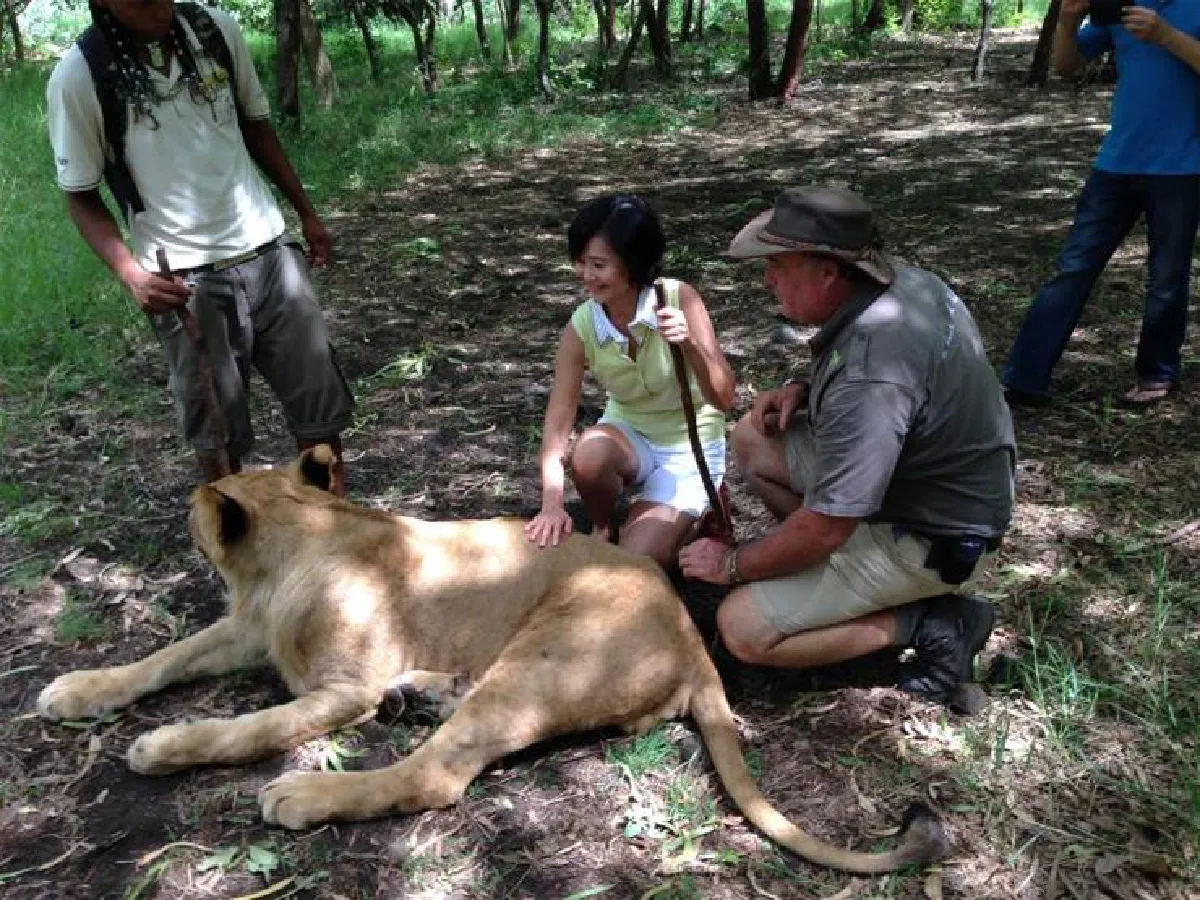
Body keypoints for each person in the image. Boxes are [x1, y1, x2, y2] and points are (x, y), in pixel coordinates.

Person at [678, 186, 1016, 705]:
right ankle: (825, 576)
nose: (768, 280)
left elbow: (827, 525)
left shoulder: (871, 374)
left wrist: (733, 564)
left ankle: (929, 621)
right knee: (754, 437)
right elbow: (909, 387)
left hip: (933, 535)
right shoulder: (905, 284)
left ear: (828, 272)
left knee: (742, 626)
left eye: (779, 266)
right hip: (920, 488)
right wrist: (808, 391)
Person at [46, 0, 355, 493]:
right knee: (218, 430)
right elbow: (80, 194)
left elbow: (256, 126)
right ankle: (237, 550)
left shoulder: (215, 32)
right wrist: (131, 273)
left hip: (270, 253)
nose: (160, 6)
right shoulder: (81, 75)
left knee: (319, 410)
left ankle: (337, 531)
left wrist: (306, 211)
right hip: (185, 282)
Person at [1002, 0, 1200, 408]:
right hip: (1115, 163)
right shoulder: (1121, 7)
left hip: (1183, 166)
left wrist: (1166, 35)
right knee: (1073, 268)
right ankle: (1025, 376)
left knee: (1167, 278)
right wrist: (1070, 17)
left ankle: (1157, 373)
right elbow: (1066, 67)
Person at [525, 195, 736, 571]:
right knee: (588, 453)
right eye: (581, 262)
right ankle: (605, 526)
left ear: (634, 263)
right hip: (630, 435)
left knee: (637, 564)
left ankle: (698, 510)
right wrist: (552, 504)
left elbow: (724, 399)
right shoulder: (583, 326)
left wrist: (689, 344)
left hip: (690, 444)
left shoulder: (677, 298)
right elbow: (559, 422)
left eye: (599, 265)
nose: (587, 275)